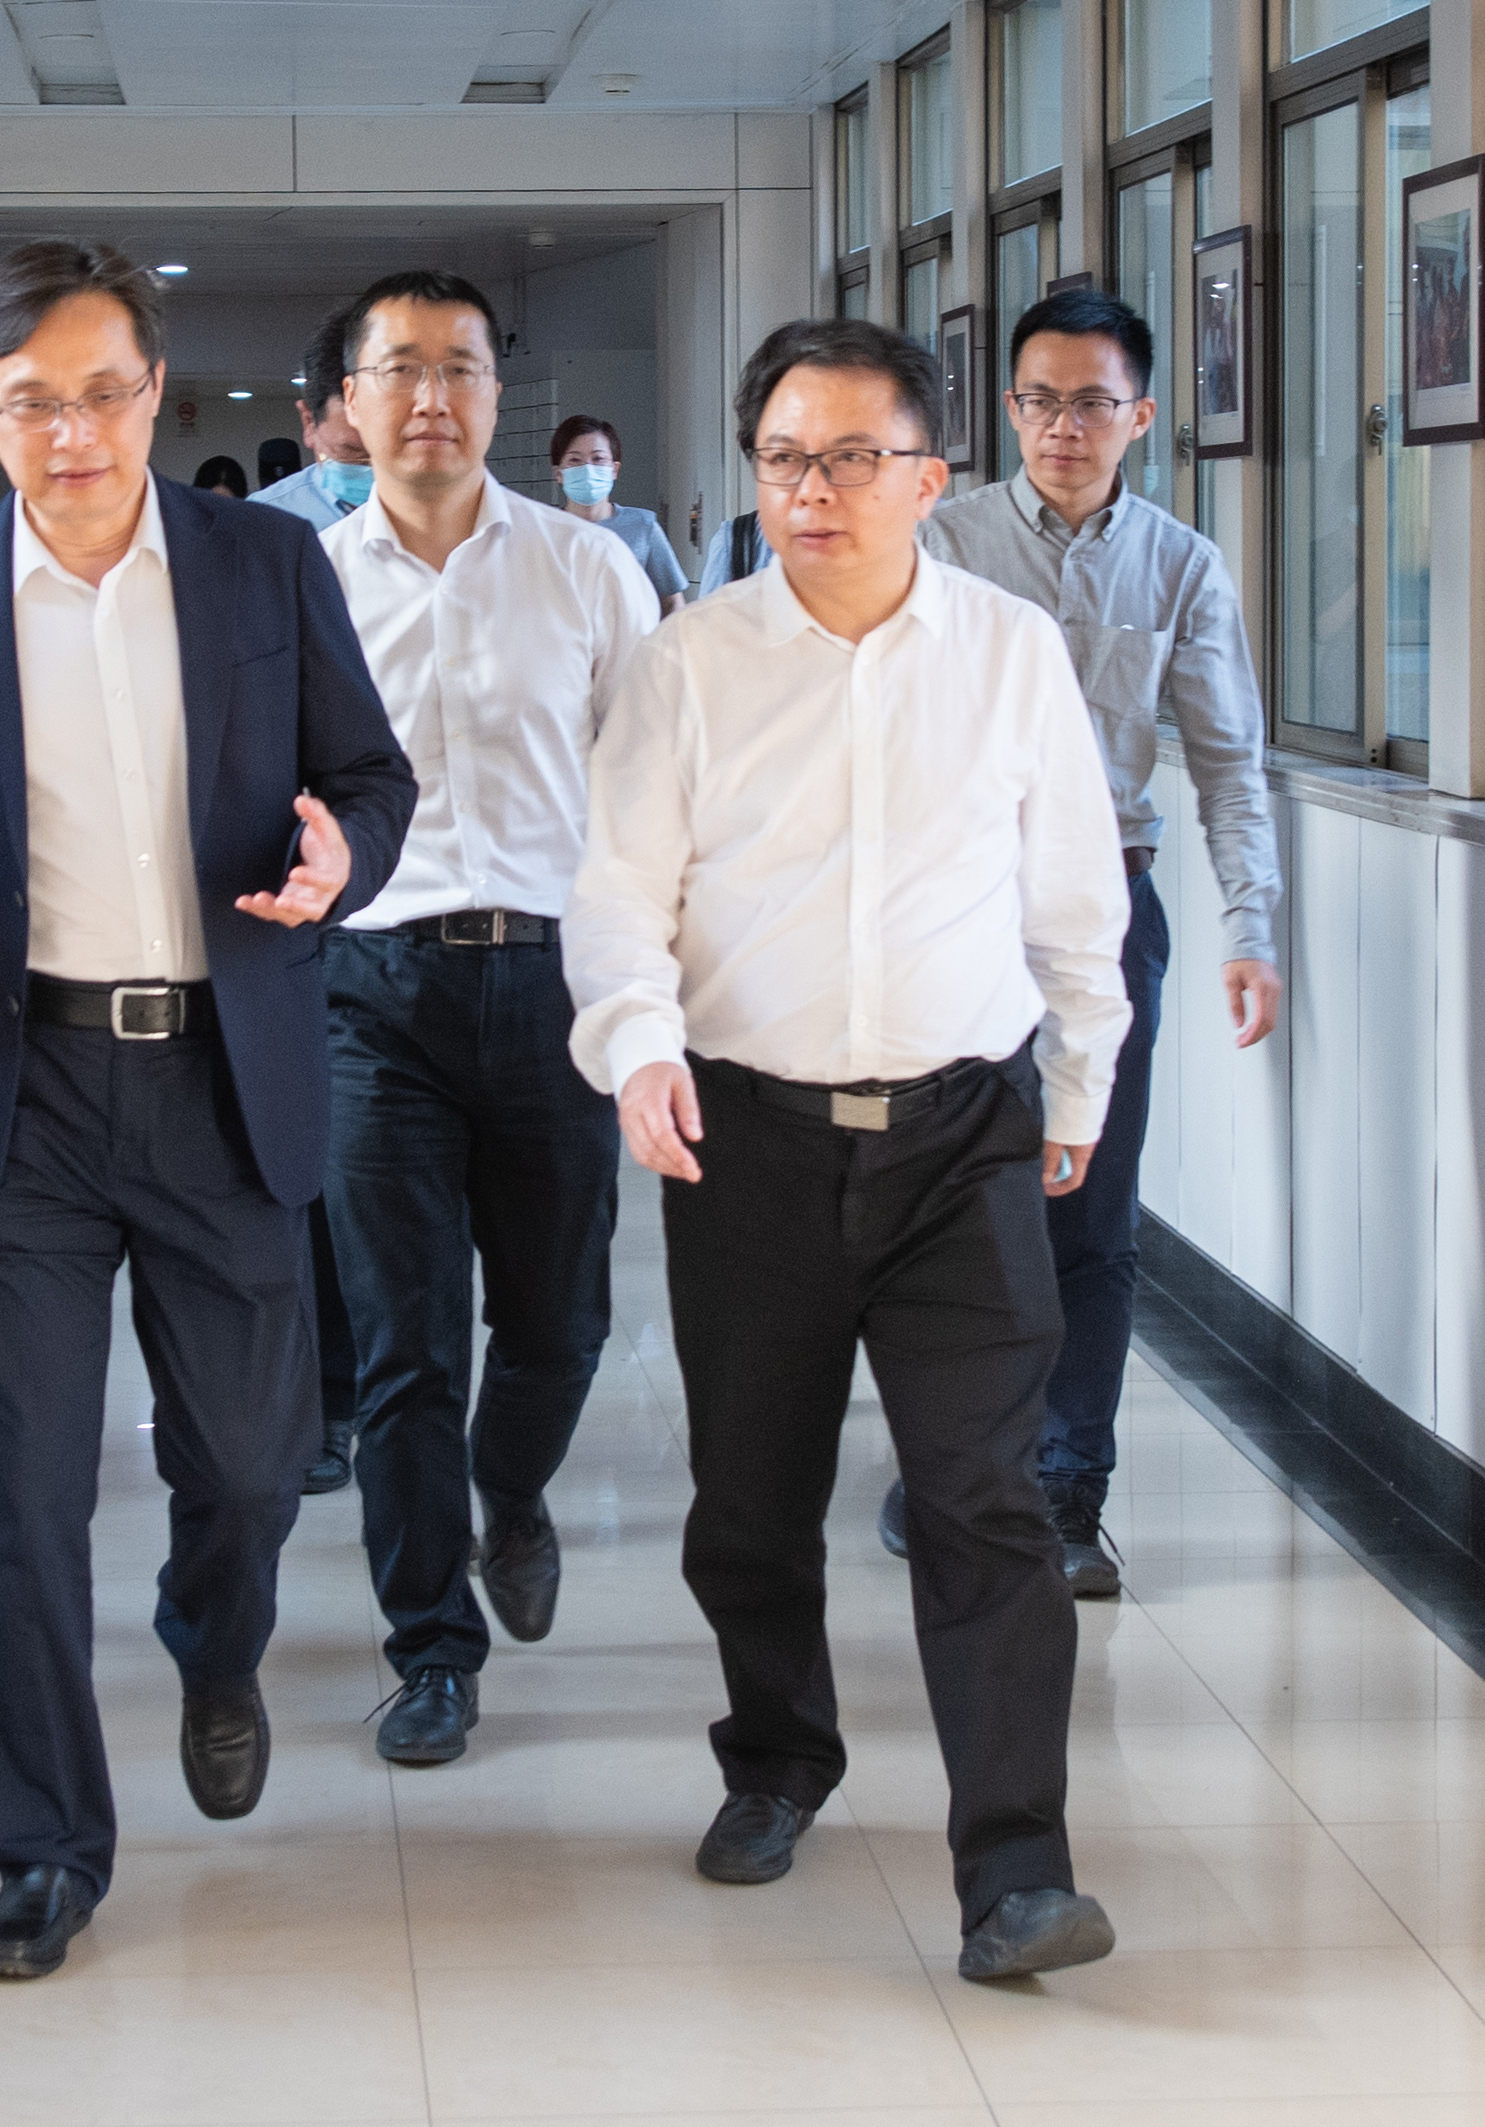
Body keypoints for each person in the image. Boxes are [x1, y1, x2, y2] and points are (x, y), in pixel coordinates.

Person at [0, 240, 415, 1980]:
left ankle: (214, 1645)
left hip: (223, 1073)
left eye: (101, 395)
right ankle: (46, 1845)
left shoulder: (263, 564)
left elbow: (370, 775)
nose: (69, 435)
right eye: (27, 405)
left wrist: (344, 858)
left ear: (154, 389)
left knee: (249, 1465)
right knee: (20, 1497)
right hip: (19, 1090)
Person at [563, 315, 1129, 1984]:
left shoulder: (1009, 652)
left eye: (852, 456)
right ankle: (777, 1754)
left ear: (929, 477)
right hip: (750, 1137)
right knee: (752, 1496)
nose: (813, 489)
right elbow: (617, 893)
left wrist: (1078, 1086)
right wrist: (637, 1044)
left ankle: (1016, 1868)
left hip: (962, 1135)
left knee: (985, 1498)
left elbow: (1074, 895)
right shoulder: (689, 660)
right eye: (785, 458)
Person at [884, 286, 1282, 1595]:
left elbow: (1229, 765)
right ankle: (949, 1465)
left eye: (1092, 403)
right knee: (946, 1206)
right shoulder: (938, 543)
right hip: (954, 915)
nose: (1065, 426)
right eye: (1042, 400)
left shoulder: (1179, 565)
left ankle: (1065, 1488)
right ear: (1009, 409)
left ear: (1141, 416)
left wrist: (1250, 925)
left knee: (1090, 1209)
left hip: (1107, 914)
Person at [317, 274, 659, 1767]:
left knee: (560, 1324)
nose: (430, 398)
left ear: (497, 395)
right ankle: (430, 1649)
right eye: (399, 369)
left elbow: (649, 795)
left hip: (552, 987)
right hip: (369, 991)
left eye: (459, 367)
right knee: (402, 1345)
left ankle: (508, 1491)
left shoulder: (587, 570)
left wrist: (653, 1004)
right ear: (348, 400)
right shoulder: (304, 585)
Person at [248, 300, 374, 1491]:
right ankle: (327, 1402)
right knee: (317, 1179)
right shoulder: (256, 542)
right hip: (303, 899)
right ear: (314, 416)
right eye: (350, 414)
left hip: (430, 901)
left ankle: (405, 1397)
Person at [249, 304, 373, 532]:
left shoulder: (442, 513)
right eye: (355, 455)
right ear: (309, 422)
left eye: (390, 451)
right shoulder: (263, 521)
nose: (375, 470)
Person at [548, 412, 685, 612]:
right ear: (559, 474)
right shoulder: (545, 530)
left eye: (598, 459)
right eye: (575, 460)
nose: (588, 468)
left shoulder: (642, 527)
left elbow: (672, 602)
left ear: (614, 469)